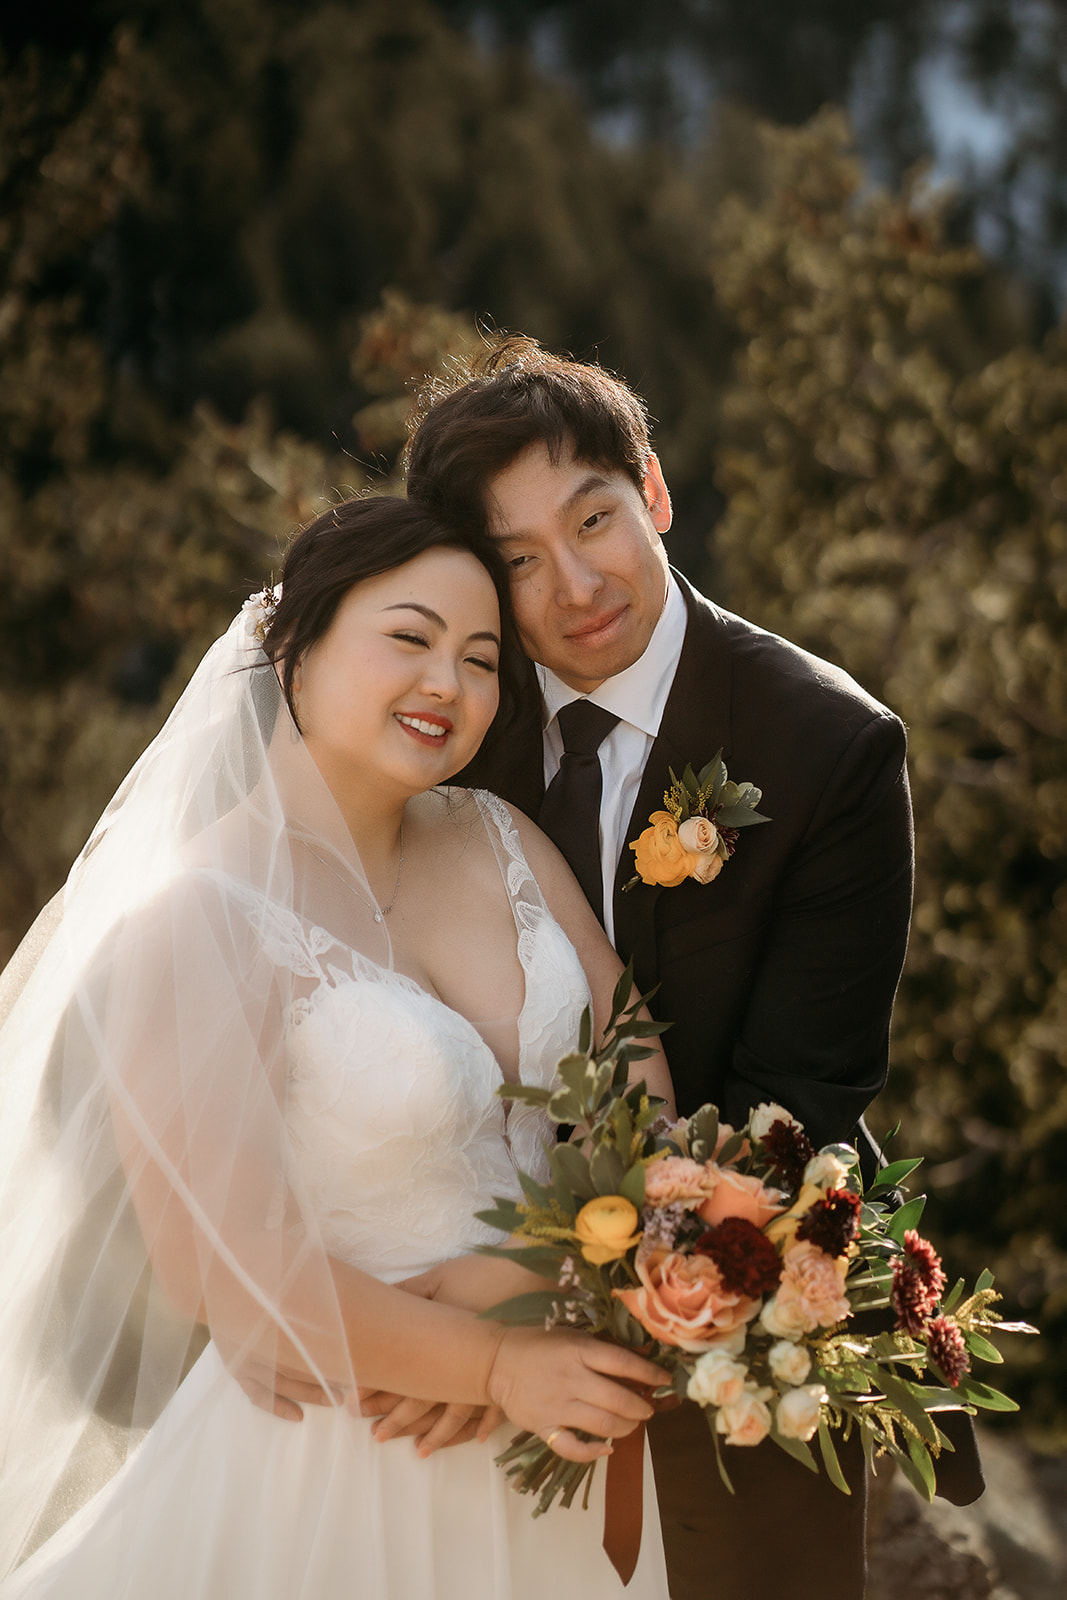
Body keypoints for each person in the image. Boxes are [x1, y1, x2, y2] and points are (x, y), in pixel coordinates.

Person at [0, 495, 675, 1599]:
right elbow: (222, 1261)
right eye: (409, 638)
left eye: (480, 659)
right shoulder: (192, 919)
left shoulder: (501, 837)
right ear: (294, 652)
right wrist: (493, 1363)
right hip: (343, 1455)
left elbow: (641, 1090)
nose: (447, 684)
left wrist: (567, 1281)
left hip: (561, 1412)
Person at [392, 336, 981, 1599]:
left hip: (742, 1315)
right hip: (461, 1336)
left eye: (592, 519)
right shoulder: (451, 724)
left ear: (652, 491)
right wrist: (440, 1337)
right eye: (516, 562)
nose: (574, 584)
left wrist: (529, 1307)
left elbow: (793, 1106)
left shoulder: (826, 747)